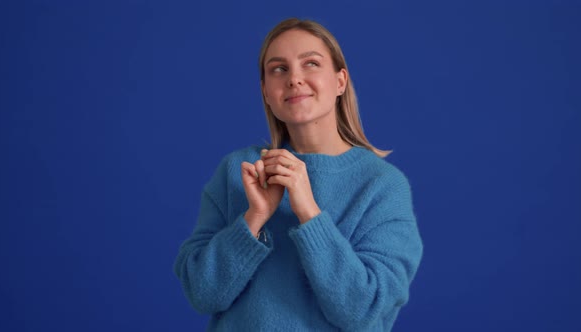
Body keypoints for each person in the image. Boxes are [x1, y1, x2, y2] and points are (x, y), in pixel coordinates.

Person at [174, 18, 423, 331]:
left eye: (311, 64)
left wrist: (308, 212)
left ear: (340, 81)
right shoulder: (238, 173)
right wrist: (254, 217)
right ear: (266, 91)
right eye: (279, 68)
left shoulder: (383, 186)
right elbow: (202, 295)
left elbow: (363, 311)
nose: (294, 79)